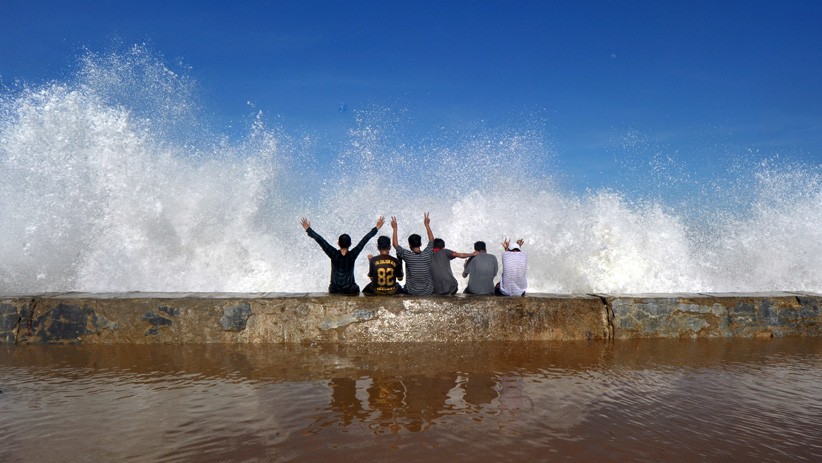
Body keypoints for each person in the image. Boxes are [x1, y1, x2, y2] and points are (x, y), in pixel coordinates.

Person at [301, 216, 383, 294]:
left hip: (334, 290)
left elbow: (320, 240)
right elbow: (364, 240)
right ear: (350, 244)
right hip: (349, 290)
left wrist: (308, 229)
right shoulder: (352, 254)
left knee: (335, 286)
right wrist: (376, 228)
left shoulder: (333, 253)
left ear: (338, 243)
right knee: (357, 288)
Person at [392, 213, 434, 296]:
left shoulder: (408, 256)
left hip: (412, 291)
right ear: (420, 243)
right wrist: (427, 225)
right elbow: (432, 241)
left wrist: (395, 228)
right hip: (428, 291)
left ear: (409, 245)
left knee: (399, 254)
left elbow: (395, 244)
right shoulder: (428, 253)